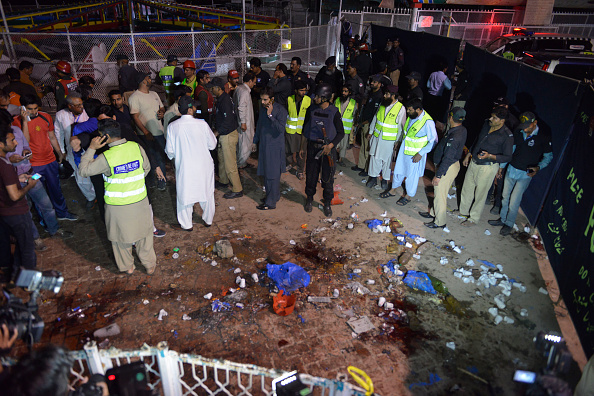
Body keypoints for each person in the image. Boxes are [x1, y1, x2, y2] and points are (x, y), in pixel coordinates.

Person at [79, 119, 157, 274]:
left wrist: (91, 149)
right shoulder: (136, 147)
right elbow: (146, 168)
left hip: (117, 207)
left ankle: (128, 267)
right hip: (140, 202)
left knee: (120, 239)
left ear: (104, 136)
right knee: (145, 236)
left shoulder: (106, 157)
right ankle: (149, 265)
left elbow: (83, 171)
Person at [5, 111, 71, 246]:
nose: (15, 142)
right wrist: (9, 159)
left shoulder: (15, 130)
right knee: (25, 211)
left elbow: (26, 145)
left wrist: (26, 152)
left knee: (46, 205)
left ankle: (54, 229)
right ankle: (35, 239)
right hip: (14, 180)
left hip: (31, 172)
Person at [488, 112, 552, 235]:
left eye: (528, 126)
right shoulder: (518, 131)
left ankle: (509, 223)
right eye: (523, 126)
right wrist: (502, 167)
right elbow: (511, 150)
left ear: (535, 123)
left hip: (525, 174)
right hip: (512, 168)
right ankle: (502, 219)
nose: (525, 128)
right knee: (505, 197)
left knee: (514, 201)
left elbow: (548, 156)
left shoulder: (543, 136)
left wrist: (538, 167)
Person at [15, 94, 78, 221]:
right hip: (33, 166)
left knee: (56, 189)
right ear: (22, 108)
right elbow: (25, 143)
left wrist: (59, 153)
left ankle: (62, 213)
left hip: (50, 163)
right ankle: (45, 219)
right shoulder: (17, 121)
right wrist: (25, 121)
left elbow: (52, 137)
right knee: (39, 194)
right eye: (30, 109)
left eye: (36, 108)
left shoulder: (46, 117)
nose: (33, 112)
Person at [165, 96, 217, 230]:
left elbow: (170, 151)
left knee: (184, 195)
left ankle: (186, 224)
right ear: (189, 110)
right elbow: (212, 145)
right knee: (207, 193)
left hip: (185, 167)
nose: (195, 108)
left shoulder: (172, 126)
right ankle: (208, 220)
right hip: (204, 166)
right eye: (194, 106)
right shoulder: (202, 124)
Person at [459, 106, 514, 226]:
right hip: (474, 162)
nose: (490, 118)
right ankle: (463, 212)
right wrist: (469, 154)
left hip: (488, 167)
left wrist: (490, 156)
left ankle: (473, 219)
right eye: (491, 115)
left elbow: (507, 157)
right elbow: (477, 140)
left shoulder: (507, 136)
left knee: (480, 194)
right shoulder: (486, 124)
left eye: (494, 118)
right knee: (467, 188)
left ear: (502, 121)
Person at [0, 114, 38, 277]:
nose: (15, 143)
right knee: (27, 249)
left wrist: (17, 179)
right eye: (11, 141)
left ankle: (14, 274)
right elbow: (15, 196)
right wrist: (28, 185)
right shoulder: (6, 166)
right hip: (16, 211)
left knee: (19, 247)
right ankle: (29, 284)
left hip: (4, 213)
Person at [380, 98, 437, 205]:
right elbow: (407, 133)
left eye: (410, 110)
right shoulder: (412, 116)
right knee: (398, 171)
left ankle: (408, 196)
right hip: (404, 151)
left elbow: (433, 141)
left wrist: (421, 153)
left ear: (418, 109)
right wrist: (400, 141)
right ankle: (393, 190)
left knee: (411, 177)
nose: (407, 112)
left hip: (415, 154)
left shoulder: (428, 122)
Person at [420, 107, 467, 229]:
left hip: (447, 166)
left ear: (451, 117)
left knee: (440, 194)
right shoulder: (461, 129)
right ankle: (433, 213)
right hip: (450, 165)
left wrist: (439, 175)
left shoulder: (454, 136)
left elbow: (448, 158)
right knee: (439, 193)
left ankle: (440, 222)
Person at [302, 83, 345, 217]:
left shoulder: (334, 112)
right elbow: (305, 129)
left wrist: (330, 146)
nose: (314, 98)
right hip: (313, 147)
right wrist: (302, 147)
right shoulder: (311, 109)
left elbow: (340, 133)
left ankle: (327, 202)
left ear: (325, 98)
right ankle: (309, 199)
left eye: (318, 96)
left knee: (327, 178)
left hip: (328, 149)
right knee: (311, 176)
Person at [54, 92, 96, 207]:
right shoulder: (60, 115)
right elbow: (59, 134)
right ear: (70, 106)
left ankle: (100, 193)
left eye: (81, 104)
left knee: (95, 173)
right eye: (78, 105)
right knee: (81, 175)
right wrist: (62, 151)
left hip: (90, 148)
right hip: (73, 150)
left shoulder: (87, 112)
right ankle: (91, 197)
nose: (81, 107)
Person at [128, 72, 167, 191]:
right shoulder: (134, 97)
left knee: (160, 157)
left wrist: (162, 111)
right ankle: (151, 181)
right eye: (148, 77)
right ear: (143, 81)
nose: (150, 79)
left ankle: (162, 180)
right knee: (150, 158)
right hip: (147, 134)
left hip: (159, 131)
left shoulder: (154, 94)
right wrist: (145, 132)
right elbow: (135, 118)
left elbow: (162, 107)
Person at [252, 87, 288, 210]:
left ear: (272, 99)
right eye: (261, 99)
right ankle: (272, 195)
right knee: (266, 173)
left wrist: (271, 115)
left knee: (272, 175)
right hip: (264, 145)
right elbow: (260, 125)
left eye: (265, 100)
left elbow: (280, 129)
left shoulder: (281, 110)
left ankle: (270, 203)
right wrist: (255, 141)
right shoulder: (263, 109)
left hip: (274, 147)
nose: (262, 102)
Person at [366, 85, 405, 190]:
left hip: (389, 141)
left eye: (387, 94)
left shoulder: (401, 108)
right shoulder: (383, 105)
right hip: (377, 137)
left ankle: (385, 180)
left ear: (393, 96)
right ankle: (373, 178)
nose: (384, 95)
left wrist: (398, 141)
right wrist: (371, 131)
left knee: (386, 161)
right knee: (374, 158)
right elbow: (375, 118)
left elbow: (401, 127)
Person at [210, 77, 242, 199]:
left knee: (230, 164)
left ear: (218, 88)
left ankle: (237, 189)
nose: (211, 90)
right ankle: (223, 181)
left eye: (213, 88)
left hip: (228, 135)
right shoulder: (222, 99)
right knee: (222, 160)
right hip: (224, 134)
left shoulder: (225, 101)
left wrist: (217, 132)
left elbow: (228, 121)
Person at [352, 74, 384, 175]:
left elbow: (375, 115)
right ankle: (361, 166)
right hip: (364, 123)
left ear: (379, 84)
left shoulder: (379, 96)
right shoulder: (371, 93)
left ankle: (366, 169)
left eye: (374, 82)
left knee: (367, 148)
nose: (371, 83)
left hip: (369, 125)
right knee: (363, 146)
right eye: (371, 81)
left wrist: (364, 123)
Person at [285, 80, 311, 180]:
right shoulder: (289, 99)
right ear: (295, 91)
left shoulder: (308, 100)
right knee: (288, 150)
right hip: (290, 130)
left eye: (305, 90)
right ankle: (291, 163)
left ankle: (300, 171)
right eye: (301, 90)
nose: (303, 92)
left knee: (302, 152)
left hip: (302, 131)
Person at [234, 72, 256, 169]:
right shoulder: (244, 92)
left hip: (241, 121)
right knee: (245, 144)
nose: (255, 84)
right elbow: (242, 107)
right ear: (250, 81)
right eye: (254, 82)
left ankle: (241, 163)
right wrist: (243, 122)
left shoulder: (239, 88)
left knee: (242, 143)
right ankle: (240, 164)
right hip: (244, 123)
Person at [335, 85, 358, 165]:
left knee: (343, 145)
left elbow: (355, 115)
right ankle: (333, 158)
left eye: (345, 91)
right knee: (335, 143)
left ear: (349, 93)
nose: (343, 93)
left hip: (345, 128)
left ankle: (341, 159)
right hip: (336, 127)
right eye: (343, 91)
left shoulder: (353, 103)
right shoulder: (337, 100)